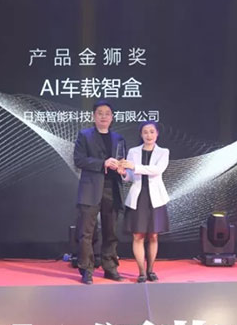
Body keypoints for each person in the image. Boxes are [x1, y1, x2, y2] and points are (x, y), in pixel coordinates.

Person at [73, 100, 127, 285]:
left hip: (112, 188)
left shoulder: (119, 138)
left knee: (111, 232)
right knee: (86, 233)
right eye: (100, 113)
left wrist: (122, 168)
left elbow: (123, 161)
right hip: (91, 189)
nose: (104, 116)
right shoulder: (85, 135)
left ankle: (110, 268)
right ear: (94, 116)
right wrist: (102, 163)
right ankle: (86, 269)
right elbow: (79, 160)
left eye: (107, 113)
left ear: (112, 117)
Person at [119, 121, 170, 283]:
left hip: (156, 198)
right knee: (138, 236)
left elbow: (157, 170)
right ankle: (141, 272)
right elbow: (130, 176)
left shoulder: (163, 152)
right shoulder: (133, 152)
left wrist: (134, 166)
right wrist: (123, 173)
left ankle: (151, 270)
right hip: (138, 197)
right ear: (141, 135)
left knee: (153, 235)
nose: (149, 135)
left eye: (152, 132)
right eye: (145, 132)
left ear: (157, 134)